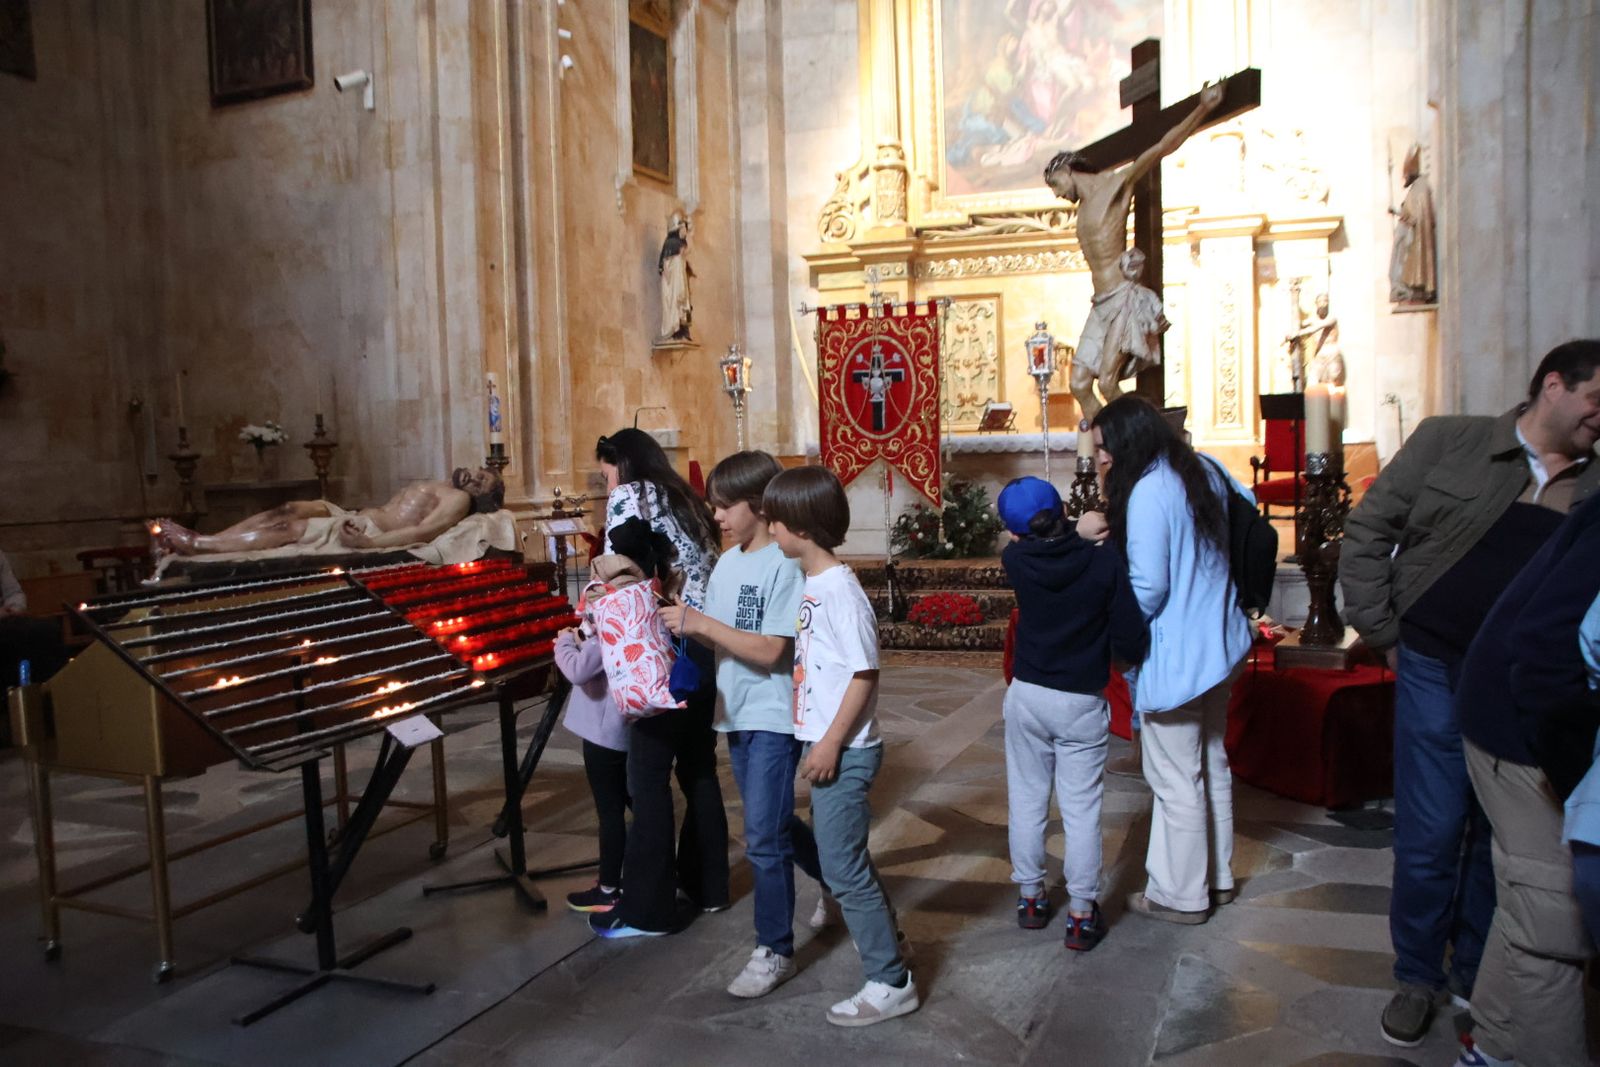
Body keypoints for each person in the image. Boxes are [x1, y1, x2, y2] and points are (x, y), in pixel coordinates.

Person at [1339, 338, 1600, 1047]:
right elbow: (1369, 528)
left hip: (1520, 688)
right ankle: (1417, 976)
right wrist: (1382, 630)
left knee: (1501, 840)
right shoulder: (1451, 441)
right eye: (1594, 399)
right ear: (1553, 385)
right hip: (1433, 664)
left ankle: (1476, 973)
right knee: (1430, 832)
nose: (1599, 417)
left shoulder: (1595, 485)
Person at [660, 451, 823, 998]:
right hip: (735, 710)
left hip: (774, 712)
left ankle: (774, 949)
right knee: (772, 822)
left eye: (726, 506)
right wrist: (680, 625)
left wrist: (702, 624)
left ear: (759, 503)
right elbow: (721, 636)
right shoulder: (729, 563)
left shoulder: (784, 562)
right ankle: (839, 879)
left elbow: (773, 650)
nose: (717, 516)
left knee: (763, 838)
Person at [1087, 397, 1253, 925]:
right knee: (1211, 762)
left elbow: (1148, 586)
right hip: (1220, 642)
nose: (1101, 459)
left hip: (1179, 656)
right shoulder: (1203, 468)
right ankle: (1216, 877)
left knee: (1175, 777)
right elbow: (1248, 509)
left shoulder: (1150, 489)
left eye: (1104, 449)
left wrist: (1117, 634)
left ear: (1126, 442)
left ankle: (1179, 895)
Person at [762, 465, 918, 1027]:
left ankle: (890, 981)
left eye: (775, 521)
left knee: (843, 868)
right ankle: (891, 942)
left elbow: (863, 673)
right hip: (832, 745)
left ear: (801, 527)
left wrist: (829, 743)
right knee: (845, 858)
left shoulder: (840, 592)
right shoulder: (816, 581)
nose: (770, 529)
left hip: (847, 751)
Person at [1451, 488, 1600, 1067]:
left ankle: (1492, 1045)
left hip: (1521, 718)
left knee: (1531, 902)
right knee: (1553, 932)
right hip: (1521, 733)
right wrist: (1573, 778)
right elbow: (1542, 651)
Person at [590, 429, 729, 937]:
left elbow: (621, 574)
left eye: (605, 473)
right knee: (699, 769)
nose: (606, 484)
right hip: (705, 644)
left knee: (646, 777)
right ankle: (709, 888)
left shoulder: (630, 496)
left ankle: (648, 910)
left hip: (662, 649)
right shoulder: (686, 499)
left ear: (621, 464)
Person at [997, 476, 1146, 950]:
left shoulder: (1015, 561)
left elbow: (1038, 544)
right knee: (1081, 809)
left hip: (1028, 694)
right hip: (1080, 697)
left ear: (1014, 532)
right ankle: (1081, 913)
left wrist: (1073, 533)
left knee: (1026, 798)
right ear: (1063, 509)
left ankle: (1030, 898)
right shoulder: (1103, 562)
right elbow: (1130, 635)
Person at [1044, 80, 1223, 422]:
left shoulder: (1116, 186)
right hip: (1100, 304)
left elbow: (1161, 147)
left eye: (1055, 183)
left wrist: (1203, 108)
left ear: (1068, 170)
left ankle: (1147, 435)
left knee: (1108, 384)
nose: (1056, 194)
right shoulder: (1082, 209)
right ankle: (1108, 442)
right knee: (1079, 384)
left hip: (1123, 299)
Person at [150, 467, 504, 555]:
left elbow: (421, 532)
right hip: (352, 514)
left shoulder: (458, 501)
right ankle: (211, 538)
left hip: (366, 529)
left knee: (291, 529)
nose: (474, 476)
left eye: (481, 482)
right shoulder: (442, 483)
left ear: (481, 497)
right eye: (479, 471)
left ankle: (200, 545)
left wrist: (369, 544)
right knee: (288, 508)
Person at [554, 618, 630, 915]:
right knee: (639, 802)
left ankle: (608, 889)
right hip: (628, 722)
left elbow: (579, 670)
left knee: (610, 812)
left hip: (605, 728)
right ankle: (655, 873)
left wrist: (565, 642)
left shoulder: (614, 612)